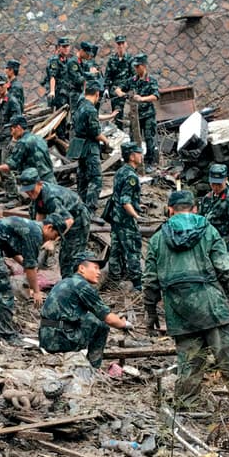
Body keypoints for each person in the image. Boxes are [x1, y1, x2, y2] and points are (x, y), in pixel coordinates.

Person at [143, 190, 229, 412]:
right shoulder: (208, 230)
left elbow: (150, 280)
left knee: (189, 361)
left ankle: (187, 406)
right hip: (212, 304)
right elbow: (225, 268)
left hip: (179, 309)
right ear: (195, 208)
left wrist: (150, 312)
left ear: (170, 210)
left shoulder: (158, 238)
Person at [0, 215, 63, 345]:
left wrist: (25, 264)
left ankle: (6, 330)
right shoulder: (35, 233)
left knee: (0, 293)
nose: (53, 239)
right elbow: (31, 267)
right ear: (49, 227)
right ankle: (8, 335)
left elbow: (10, 248)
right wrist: (36, 291)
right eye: (54, 235)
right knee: (3, 294)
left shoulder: (30, 226)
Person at [40, 252, 132, 367]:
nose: (99, 273)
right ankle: (94, 368)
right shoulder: (82, 286)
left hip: (45, 338)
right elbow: (108, 319)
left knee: (89, 318)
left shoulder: (65, 282)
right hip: (60, 340)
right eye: (96, 268)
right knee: (101, 325)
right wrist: (124, 324)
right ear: (82, 268)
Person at [19, 169, 90, 279]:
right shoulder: (37, 194)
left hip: (77, 220)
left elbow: (68, 220)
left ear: (39, 184)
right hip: (64, 218)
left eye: (31, 190)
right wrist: (39, 236)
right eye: (27, 191)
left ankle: (72, 284)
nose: (29, 193)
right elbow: (40, 213)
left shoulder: (51, 198)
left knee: (70, 257)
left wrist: (52, 241)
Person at [104, 141, 144, 290]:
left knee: (116, 247)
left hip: (116, 217)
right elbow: (125, 200)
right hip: (126, 220)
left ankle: (115, 277)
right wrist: (136, 216)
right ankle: (137, 283)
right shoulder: (131, 176)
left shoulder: (120, 171)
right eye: (138, 153)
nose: (141, 156)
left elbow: (121, 195)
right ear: (132, 156)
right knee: (133, 249)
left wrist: (138, 205)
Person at [71, 81, 106, 212]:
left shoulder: (79, 105)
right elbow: (96, 133)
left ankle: (80, 207)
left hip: (79, 146)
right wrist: (107, 141)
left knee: (82, 177)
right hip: (91, 147)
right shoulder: (91, 109)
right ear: (97, 94)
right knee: (95, 178)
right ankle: (90, 210)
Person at [199, 163, 229, 267]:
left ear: (226, 180)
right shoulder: (207, 199)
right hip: (209, 245)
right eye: (213, 184)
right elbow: (200, 222)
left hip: (225, 246)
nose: (216, 187)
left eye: (219, 184)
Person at [0, 115, 55, 188]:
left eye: (12, 129)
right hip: (50, 179)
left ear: (18, 128)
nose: (11, 133)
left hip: (38, 183)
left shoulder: (23, 143)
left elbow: (10, 166)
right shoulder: (39, 138)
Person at [130, 53, 160, 167]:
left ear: (143, 66)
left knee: (149, 138)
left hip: (148, 115)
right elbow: (120, 88)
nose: (136, 69)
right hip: (136, 115)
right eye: (135, 67)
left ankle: (150, 162)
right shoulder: (133, 80)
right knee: (134, 138)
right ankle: (135, 161)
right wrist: (121, 93)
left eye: (138, 66)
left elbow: (156, 96)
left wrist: (142, 99)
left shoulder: (151, 80)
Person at [105, 35, 134, 125]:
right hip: (115, 90)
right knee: (117, 114)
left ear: (126, 44)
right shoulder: (112, 60)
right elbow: (108, 75)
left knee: (133, 114)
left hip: (127, 89)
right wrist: (106, 88)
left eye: (122, 43)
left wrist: (127, 89)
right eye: (118, 44)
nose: (120, 46)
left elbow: (133, 76)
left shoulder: (130, 59)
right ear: (116, 45)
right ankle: (119, 133)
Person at [44, 38, 73, 112]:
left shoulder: (68, 61)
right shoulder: (55, 61)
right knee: (59, 115)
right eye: (64, 47)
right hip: (58, 94)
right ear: (59, 48)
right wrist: (52, 91)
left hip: (66, 93)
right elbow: (52, 76)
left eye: (67, 46)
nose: (66, 49)